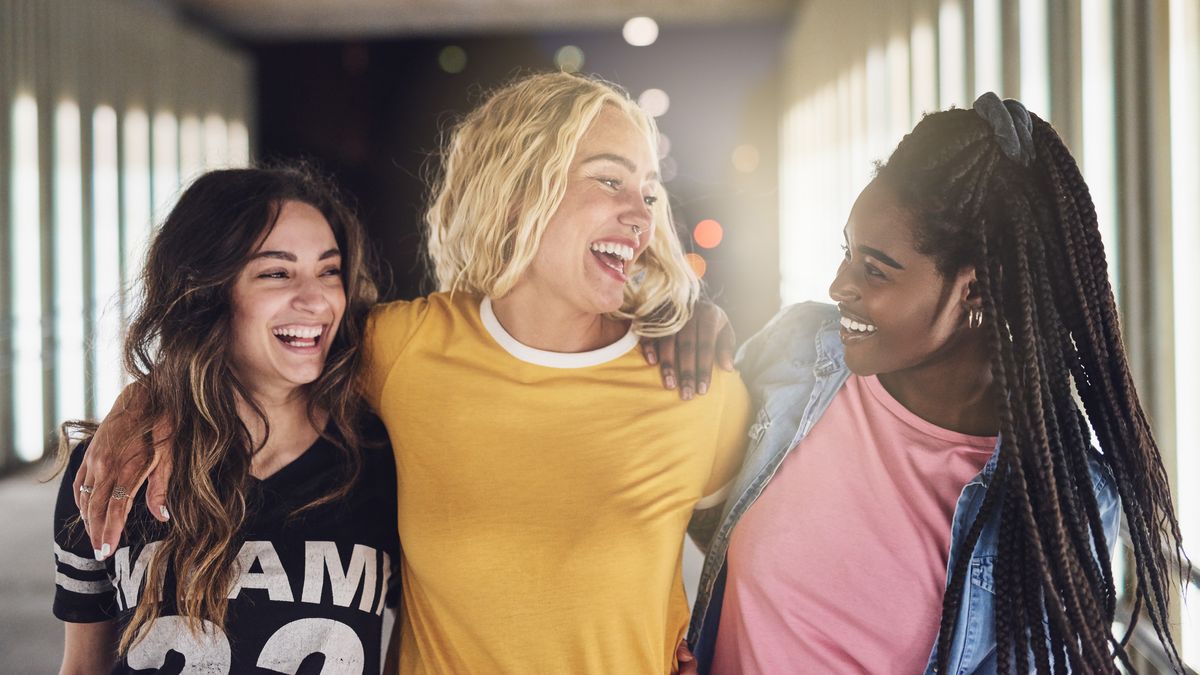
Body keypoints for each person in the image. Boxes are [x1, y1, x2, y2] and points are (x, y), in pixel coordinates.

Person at [71, 72, 749, 674]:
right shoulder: (401, 349)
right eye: (610, 179)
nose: (642, 213)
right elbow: (255, 351)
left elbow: (755, 572)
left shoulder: (696, 386)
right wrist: (147, 395)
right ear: (516, 191)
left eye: (651, 192)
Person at [689, 93, 1187, 674]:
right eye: (846, 254)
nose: (838, 285)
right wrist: (686, 327)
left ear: (973, 290)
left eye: (874, 269)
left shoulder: (1058, 501)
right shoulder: (801, 349)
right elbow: (696, 509)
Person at [53, 165, 400, 674]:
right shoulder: (116, 467)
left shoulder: (380, 461)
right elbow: (84, 667)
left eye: (329, 270)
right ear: (209, 292)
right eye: (276, 273)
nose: (316, 299)